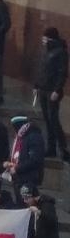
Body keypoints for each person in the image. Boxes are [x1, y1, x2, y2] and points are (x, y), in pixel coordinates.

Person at [34, 27, 69, 161]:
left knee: (53, 120)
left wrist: (57, 90)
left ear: (50, 38)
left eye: (44, 38)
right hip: (43, 89)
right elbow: (41, 69)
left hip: (52, 91)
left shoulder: (60, 52)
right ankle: (51, 148)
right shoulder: (46, 51)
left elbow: (62, 73)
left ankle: (63, 149)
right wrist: (36, 85)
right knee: (47, 120)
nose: (42, 40)